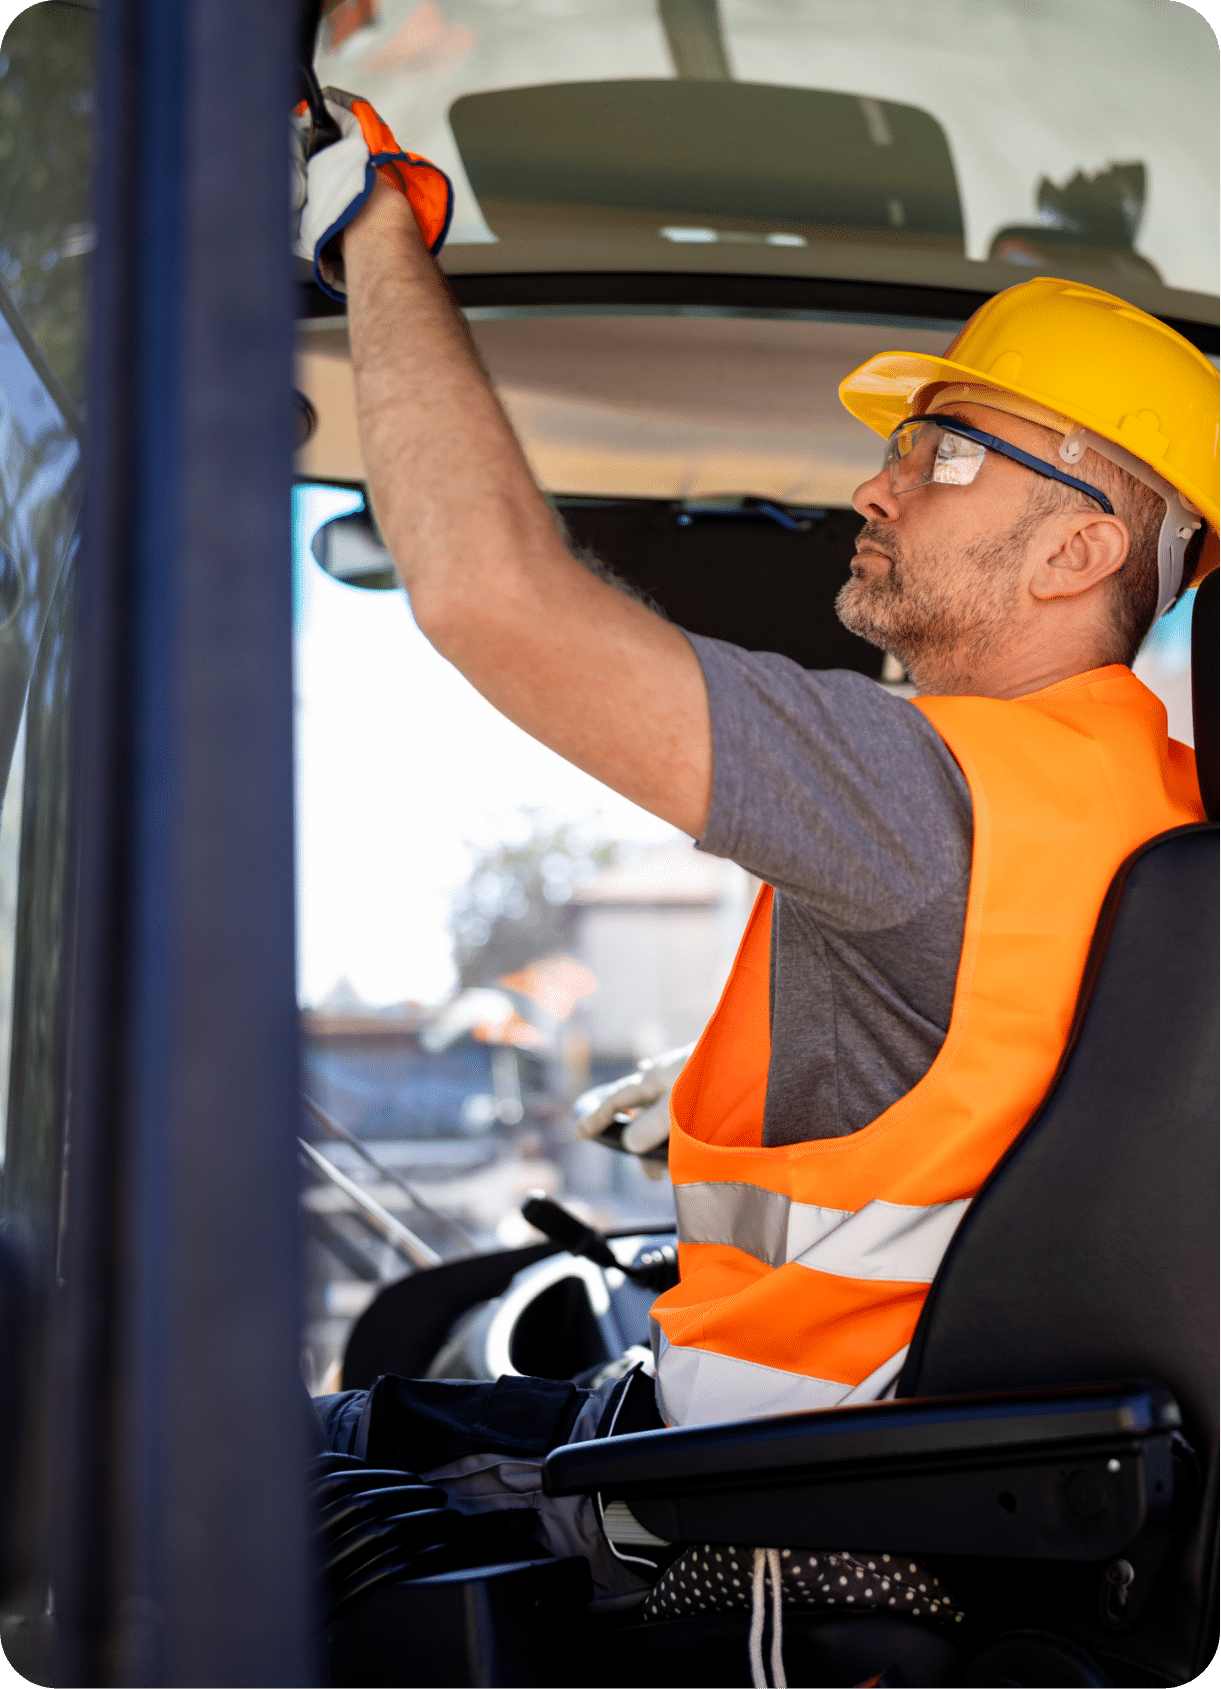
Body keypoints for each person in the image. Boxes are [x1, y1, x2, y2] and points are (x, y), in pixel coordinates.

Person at [297, 96, 1219, 1615]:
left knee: (244, 1496)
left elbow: (488, 598)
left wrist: (376, 230)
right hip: (879, 1464)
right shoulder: (1156, 807)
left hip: (763, 1501)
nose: (875, 484)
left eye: (941, 452)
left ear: (1079, 549)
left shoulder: (928, 788)